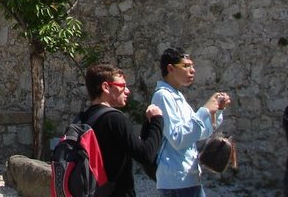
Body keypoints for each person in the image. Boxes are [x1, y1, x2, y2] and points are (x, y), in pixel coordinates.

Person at [151, 47, 231, 197]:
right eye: (186, 66)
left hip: (188, 177)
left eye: (192, 65)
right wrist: (204, 110)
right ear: (170, 68)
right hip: (176, 180)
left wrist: (216, 111)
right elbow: (178, 138)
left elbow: (199, 133)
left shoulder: (177, 96)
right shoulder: (163, 96)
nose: (192, 70)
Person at [80, 63, 163, 197]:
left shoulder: (83, 117)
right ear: (106, 87)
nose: (127, 91)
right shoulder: (114, 118)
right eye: (122, 86)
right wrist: (157, 121)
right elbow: (146, 155)